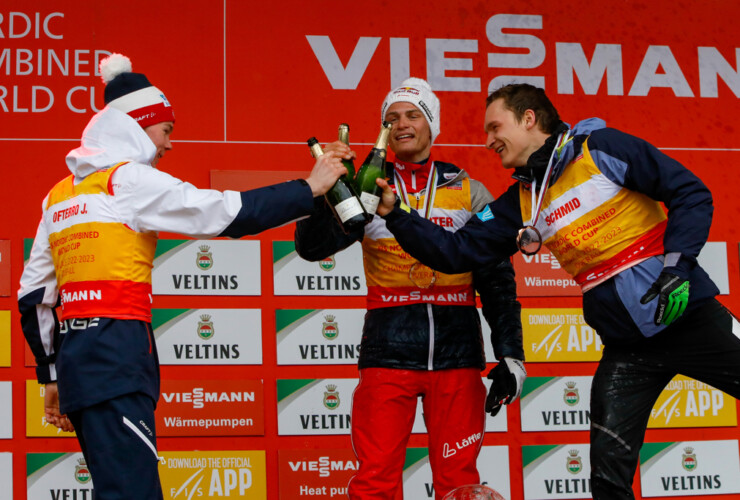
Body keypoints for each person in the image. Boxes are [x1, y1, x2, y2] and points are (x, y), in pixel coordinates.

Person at [374, 83, 740, 499]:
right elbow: (456, 252)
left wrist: (679, 266)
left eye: (496, 127)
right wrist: (396, 214)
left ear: (529, 119)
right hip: (628, 350)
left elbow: (690, 192)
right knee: (607, 478)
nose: (488, 140)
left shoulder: (600, 148)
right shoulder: (523, 200)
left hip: (688, 316)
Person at [18, 53, 347, 499]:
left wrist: (52, 373)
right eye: (166, 130)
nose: (168, 145)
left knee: (116, 488)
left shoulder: (58, 194)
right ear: (138, 123)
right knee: (132, 493)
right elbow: (228, 213)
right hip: (117, 358)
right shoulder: (127, 179)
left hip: (79, 363)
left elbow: (34, 296)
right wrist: (310, 187)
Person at [294, 78, 525, 500]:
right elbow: (312, 248)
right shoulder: (367, 185)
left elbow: (496, 281)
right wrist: (326, 190)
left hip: (458, 355)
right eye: (391, 118)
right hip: (388, 352)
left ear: (432, 124)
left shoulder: (467, 189)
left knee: (461, 483)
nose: (402, 124)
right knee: (375, 482)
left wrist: (510, 352)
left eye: (413, 114)